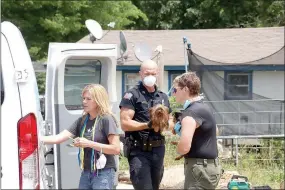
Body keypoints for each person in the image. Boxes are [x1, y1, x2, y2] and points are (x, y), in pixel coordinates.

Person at [40, 84, 120, 189]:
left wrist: (89, 143)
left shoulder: (106, 119)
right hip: (86, 172)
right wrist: (36, 139)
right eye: (83, 98)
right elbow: (59, 138)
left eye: (88, 99)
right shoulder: (83, 120)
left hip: (103, 172)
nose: (84, 102)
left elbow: (116, 149)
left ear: (98, 100)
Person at [119, 59, 172, 190]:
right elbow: (125, 123)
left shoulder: (163, 97)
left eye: (153, 74)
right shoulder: (132, 95)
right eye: (147, 73)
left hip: (158, 150)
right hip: (139, 151)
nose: (150, 77)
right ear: (140, 74)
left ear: (157, 73)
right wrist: (148, 125)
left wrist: (165, 125)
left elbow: (170, 121)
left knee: (155, 186)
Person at [172, 72, 222, 189]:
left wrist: (178, 148)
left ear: (185, 89)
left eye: (175, 90)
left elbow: (184, 147)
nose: (174, 94)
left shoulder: (190, 113)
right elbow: (216, 131)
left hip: (199, 170)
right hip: (210, 167)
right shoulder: (205, 107)